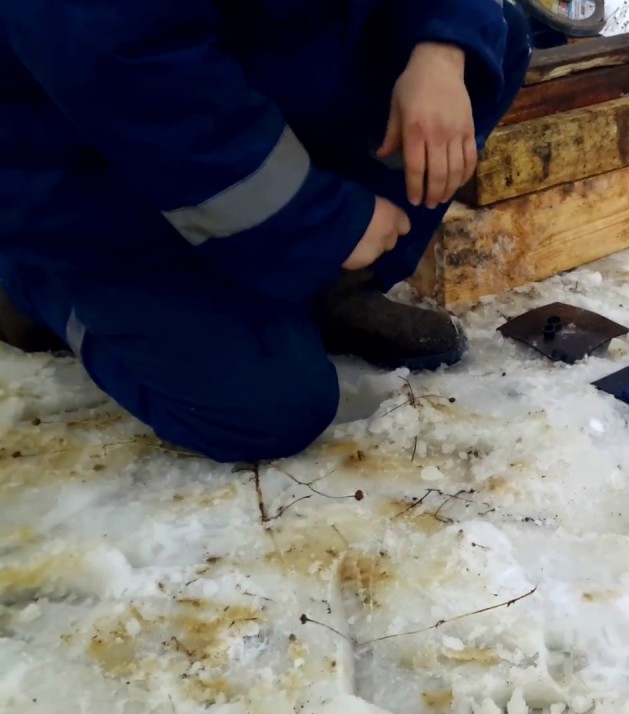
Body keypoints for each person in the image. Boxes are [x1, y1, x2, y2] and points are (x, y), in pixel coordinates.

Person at [0, 0, 533, 463]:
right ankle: (34, 284)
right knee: (269, 412)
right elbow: (134, 75)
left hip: (254, 78)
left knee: (487, 38)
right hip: (87, 162)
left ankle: (324, 288)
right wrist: (323, 220)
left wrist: (443, 50)